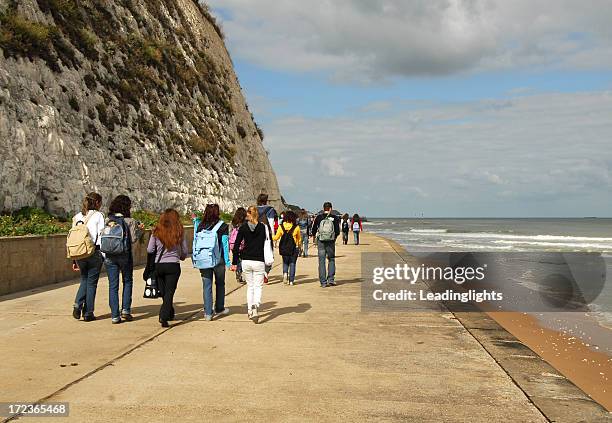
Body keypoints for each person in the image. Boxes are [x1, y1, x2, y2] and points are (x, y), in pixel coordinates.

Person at [103, 195, 144, 324]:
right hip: (125, 255)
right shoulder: (130, 221)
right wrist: (140, 231)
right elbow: (132, 239)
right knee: (127, 281)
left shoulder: (107, 220)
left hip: (109, 255)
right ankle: (125, 310)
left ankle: (115, 316)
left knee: (113, 286)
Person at [147, 209, 188, 328]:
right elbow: (184, 251)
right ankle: (164, 316)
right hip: (173, 265)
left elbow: (150, 250)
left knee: (164, 292)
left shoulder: (156, 231)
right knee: (169, 292)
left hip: (159, 265)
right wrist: (181, 256)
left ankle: (169, 312)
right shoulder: (179, 231)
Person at [231, 205, 272, 323]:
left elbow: (236, 246)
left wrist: (234, 262)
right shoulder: (262, 227)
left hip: (246, 261)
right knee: (258, 286)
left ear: (248, 215)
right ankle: (255, 306)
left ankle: (250, 310)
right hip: (258, 260)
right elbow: (265, 243)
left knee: (250, 286)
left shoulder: (243, 227)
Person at [71, 192, 105, 322]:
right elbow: (102, 236)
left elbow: (74, 239)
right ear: (97, 203)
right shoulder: (98, 215)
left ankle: (77, 304)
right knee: (91, 283)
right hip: (93, 252)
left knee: (84, 279)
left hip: (79, 253)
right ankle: (88, 312)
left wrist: (74, 259)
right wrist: (104, 255)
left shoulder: (77, 217)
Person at [197, 204, 230, 321]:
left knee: (207, 285)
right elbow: (225, 245)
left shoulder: (200, 226)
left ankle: (208, 313)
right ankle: (219, 308)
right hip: (218, 259)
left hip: (204, 259)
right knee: (220, 284)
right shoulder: (223, 226)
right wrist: (227, 261)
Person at [311, 202, 340, 287]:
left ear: (323, 208)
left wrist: (315, 237)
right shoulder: (334, 217)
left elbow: (313, 229)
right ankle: (331, 279)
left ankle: (323, 282)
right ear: (330, 208)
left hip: (321, 241)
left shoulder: (319, 217)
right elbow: (337, 231)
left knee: (321, 261)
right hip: (331, 241)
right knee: (331, 259)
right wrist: (334, 238)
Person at [273, 210, 302, 286]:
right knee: (292, 264)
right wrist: (299, 246)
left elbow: (276, 238)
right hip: (294, 248)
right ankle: (291, 281)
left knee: (285, 263)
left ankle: (285, 273)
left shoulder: (281, 227)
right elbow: (299, 239)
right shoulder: (296, 227)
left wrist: (269, 237)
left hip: (284, 247)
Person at [256, 193, 277, 283]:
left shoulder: (254, 209)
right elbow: (271, 222)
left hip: (256, 233)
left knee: (258, 253)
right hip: (266, 233)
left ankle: (260, 272)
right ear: (266, 200)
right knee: (269, 253)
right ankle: (265, 272)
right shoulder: (270, 209)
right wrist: (273, 234)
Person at [229, 207, 247, 284]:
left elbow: (229, 233)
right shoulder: (244, 223)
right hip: (242, 244)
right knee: (242, 260)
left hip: (233, 244)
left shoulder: (232, 222)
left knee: (236, 258)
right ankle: (239, 273)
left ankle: (238, 272)